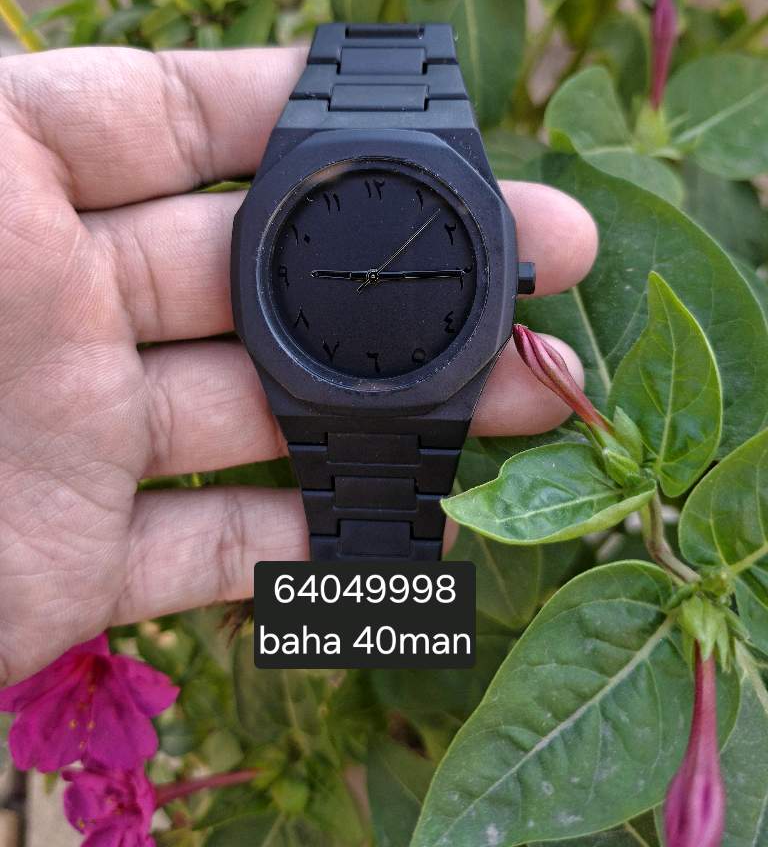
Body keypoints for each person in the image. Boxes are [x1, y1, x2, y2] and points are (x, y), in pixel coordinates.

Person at [0, 45, 598, 687]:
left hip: (361, 383)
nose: (372, 281)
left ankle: (364, 659)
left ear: (511, 279)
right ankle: (366, 660)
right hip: (347, 385)